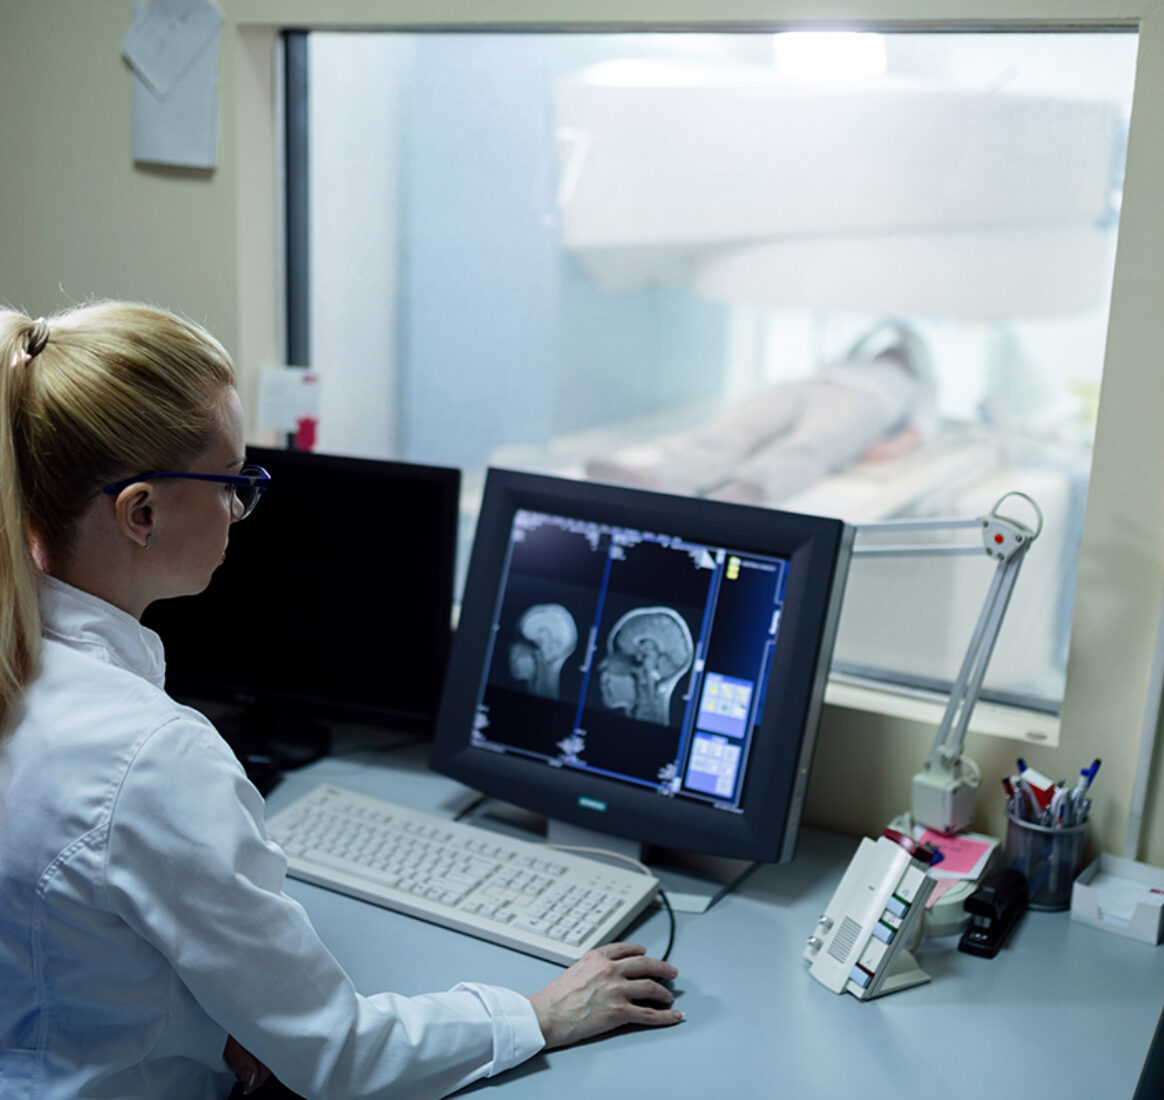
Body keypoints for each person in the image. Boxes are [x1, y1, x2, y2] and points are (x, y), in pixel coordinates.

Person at [0, 301, 682, 1100]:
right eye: (232, 482)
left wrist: (221, 1015)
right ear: (141, 511)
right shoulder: (151, 758)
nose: (239, 511)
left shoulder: (34, 681)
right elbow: (339, 1056)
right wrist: (540, 1014)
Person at [586, 320, 938, 505]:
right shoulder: (851, 361)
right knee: (739, 424)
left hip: (865, 404)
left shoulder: (913, 384)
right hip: (811, 385)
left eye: (896, 350)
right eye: (886, 349)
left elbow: (924, 427)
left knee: (812, 443)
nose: (889, 352)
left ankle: (751, 487)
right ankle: (658, 475)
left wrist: (894, 448)